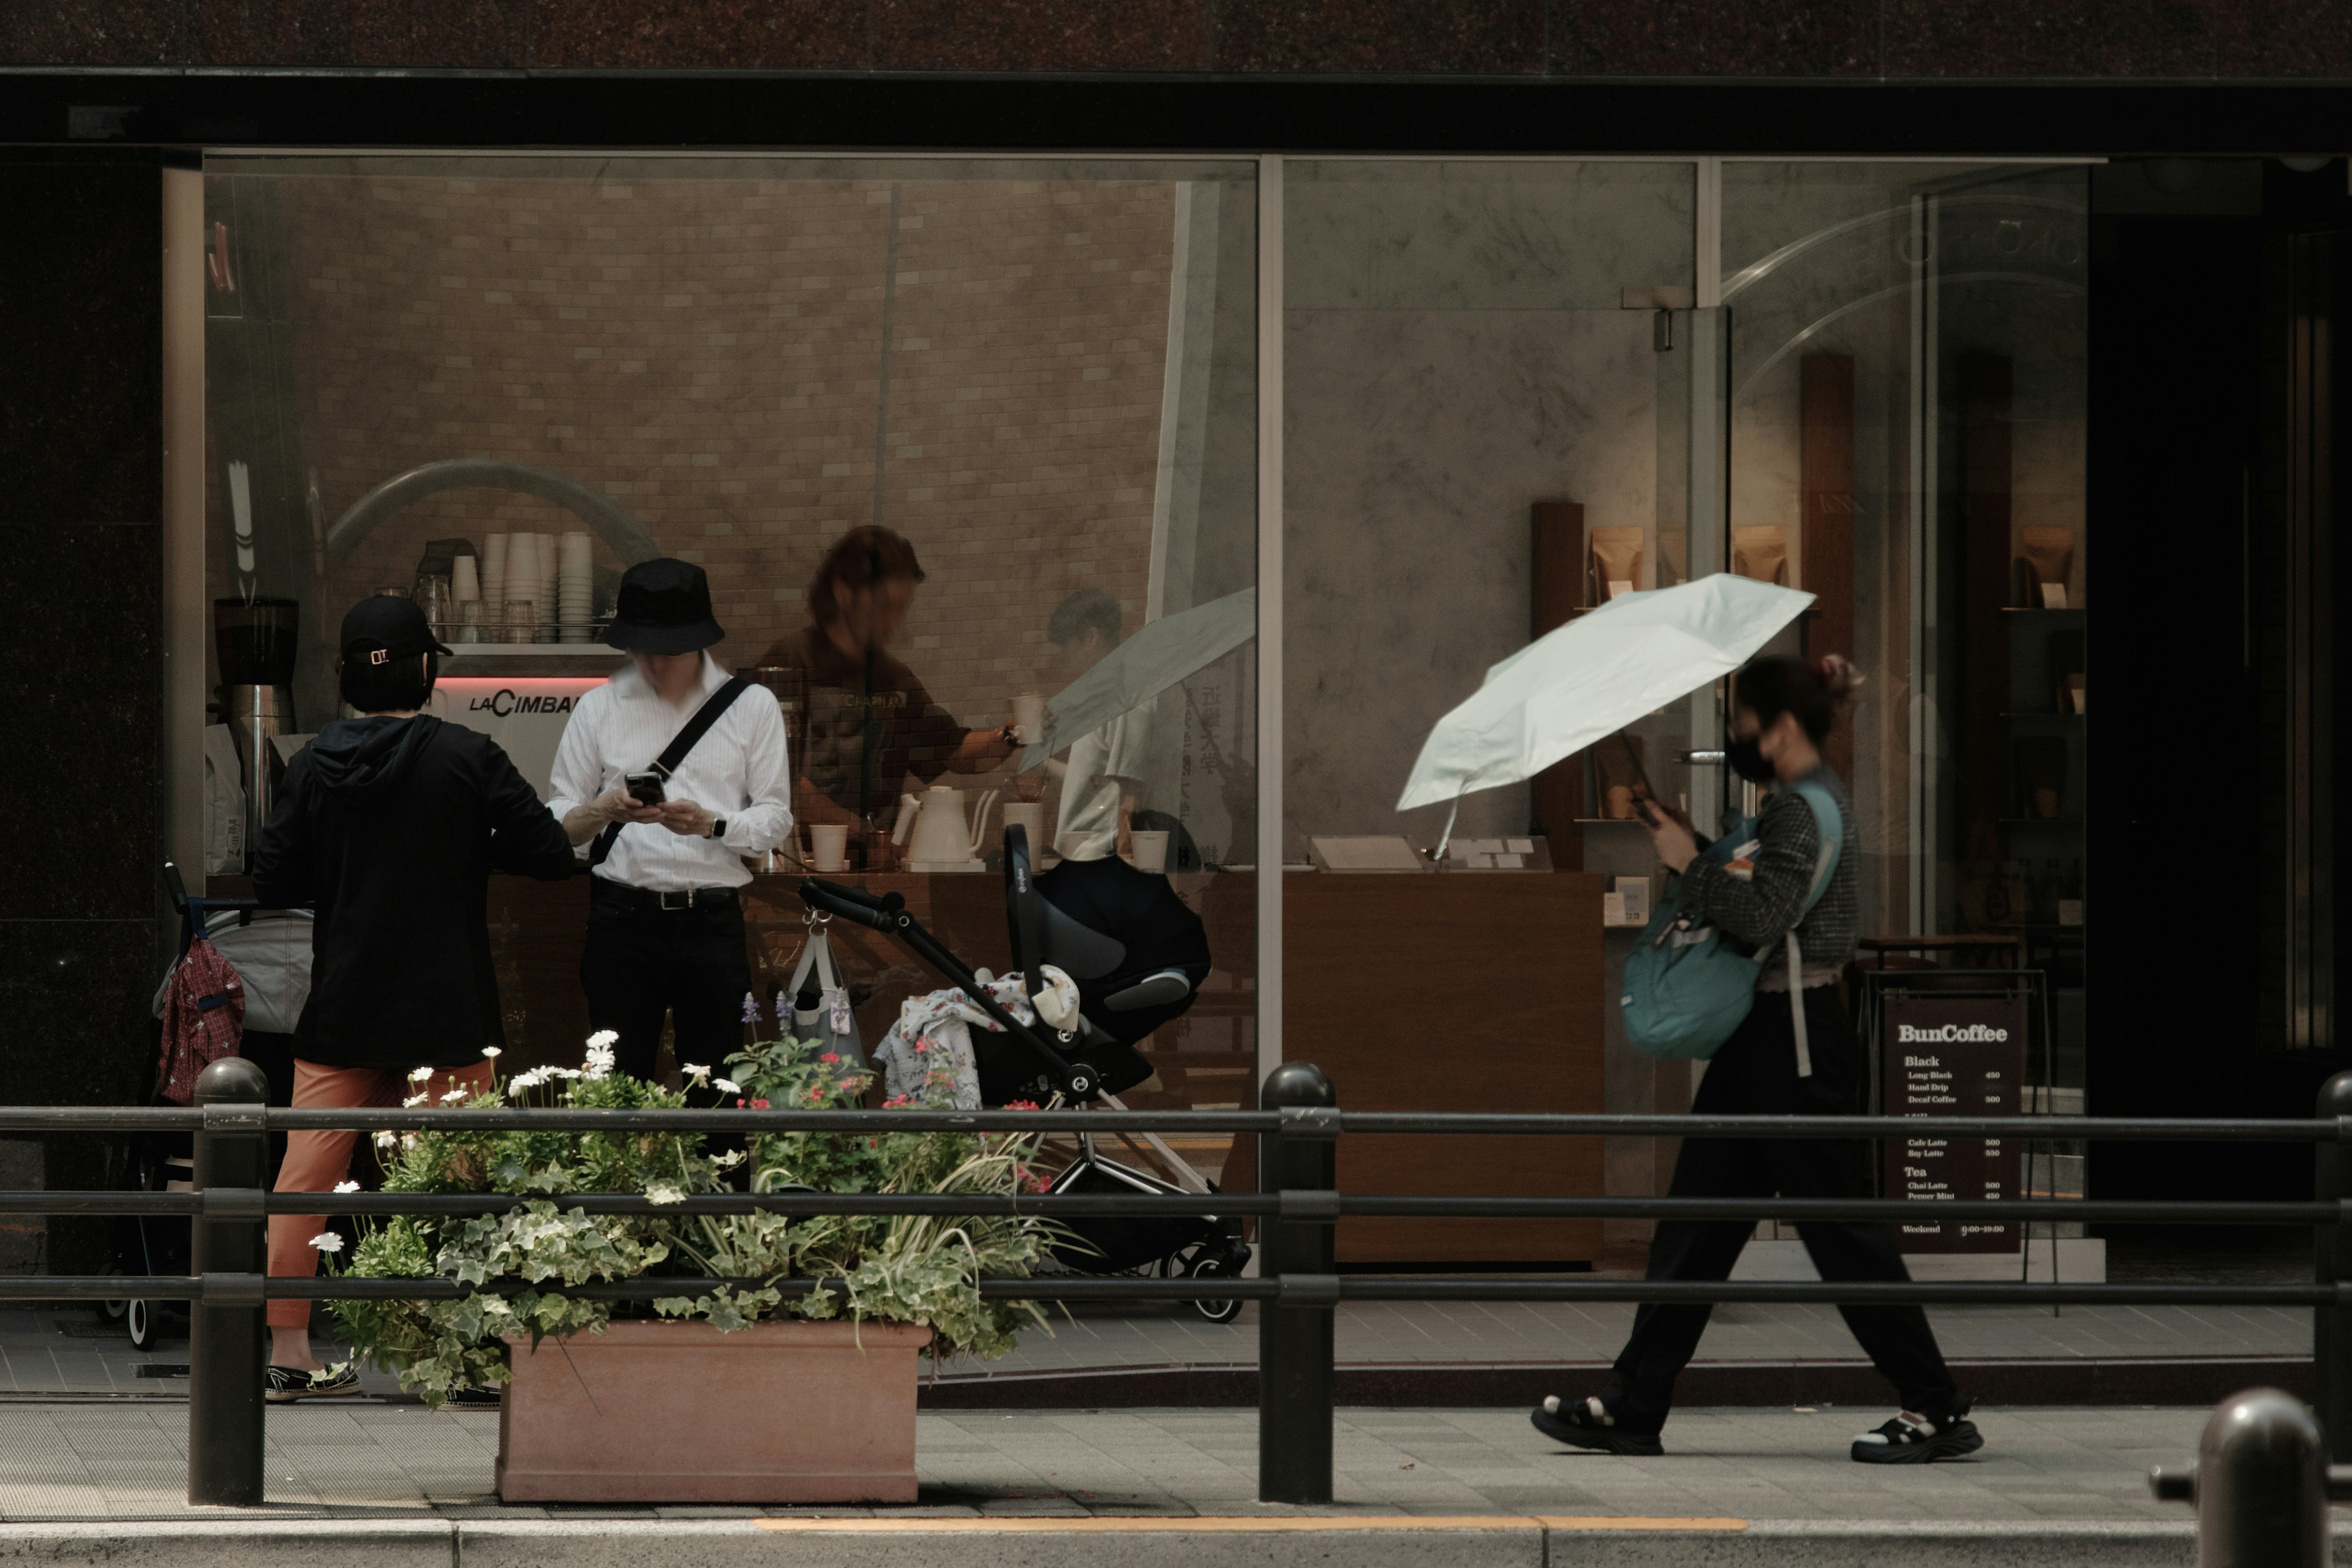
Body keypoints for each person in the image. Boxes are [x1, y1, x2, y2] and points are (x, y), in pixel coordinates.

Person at [1531, 654, 1981, 1465]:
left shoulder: (1804, 810)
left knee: (1842, 1233)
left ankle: (1936, 1406)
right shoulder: (1800, 803)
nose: (1734, 735)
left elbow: (1764, 914)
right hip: (1771, 1035)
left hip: (1798, 1040)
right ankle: (1635, 1402)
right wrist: (1689, 842)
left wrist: (1688, 863)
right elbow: (1760, 895)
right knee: (1697, 1224)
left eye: (1741, 723)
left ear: (1778, 731)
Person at [252, 594, 578, 1401]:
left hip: (344, 1008)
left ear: (347, 681)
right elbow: (547, 854)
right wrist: (471, 844)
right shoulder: (469, 758)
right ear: (427, 670)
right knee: (454, 1183)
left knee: (305, 1183)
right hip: (448, 1012)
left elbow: (274, 877)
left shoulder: (312, 765)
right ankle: (457, 1351)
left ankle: (287, 1351)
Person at [547, 557, 793, 1083]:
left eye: (671, 652)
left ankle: (718, 1167)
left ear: (700, 642)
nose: (656, 664)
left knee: (717, 1090)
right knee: (616, 1090)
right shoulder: (597, 708)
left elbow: (775, 820)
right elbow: (560, 823)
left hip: (712, 921)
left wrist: (713, 825)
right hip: (621, 919)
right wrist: (607, 807)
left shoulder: (752, 707)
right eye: (643, 650)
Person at [752, 525, 1016, 835]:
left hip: (872, 861)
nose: (893, 622)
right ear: (843, 593)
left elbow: (951, 750)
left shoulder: (895, 679)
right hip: (796, 860)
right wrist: (867, 838)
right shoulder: (789, 662)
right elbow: (775, 781)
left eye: (900, 609)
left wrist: (1011, 736)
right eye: (884, 606)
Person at [1025, 587, 1149, 861]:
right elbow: (1089, 783)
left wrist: (1123, 872)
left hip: (1103, 862)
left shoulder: (1125, 697)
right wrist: (1038, 751)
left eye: (1066, 646)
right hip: (1083, 858)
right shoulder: (1104, 698)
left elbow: (1132, 796)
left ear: (1091, 638)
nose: (1062, 656)